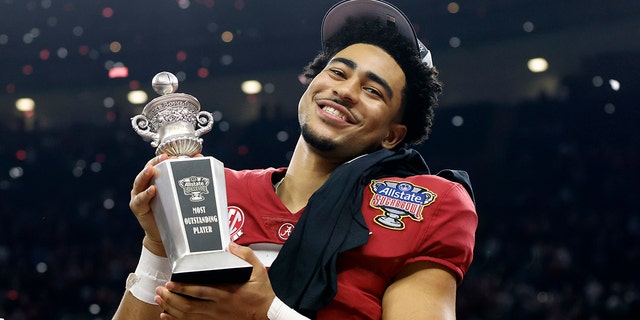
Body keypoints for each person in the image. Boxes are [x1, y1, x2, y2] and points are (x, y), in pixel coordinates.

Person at [113, 0, 478, 319]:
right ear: (311, 84)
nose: (345, 91)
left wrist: (266, 312)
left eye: (372, 90)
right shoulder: (218, 189)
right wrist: (159, 246)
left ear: (392, 135)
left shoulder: (428, 204)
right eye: (337, 71)